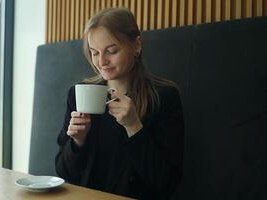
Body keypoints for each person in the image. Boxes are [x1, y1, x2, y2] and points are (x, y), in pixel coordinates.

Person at [55, 8, 184, 199]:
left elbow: (166, 183)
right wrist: (77, 142)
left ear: (136, 45)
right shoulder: (79, 94)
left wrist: (134, 127)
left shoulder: (164, 97)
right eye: (94, 53)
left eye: (112, 51)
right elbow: (63, 173)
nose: (102, 61)